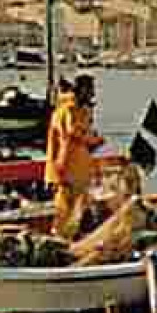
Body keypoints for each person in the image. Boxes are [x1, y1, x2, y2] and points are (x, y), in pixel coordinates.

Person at [44, 74, 104, 240]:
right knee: (65, 212)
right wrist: (95, 140)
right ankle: (60, 240)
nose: (93, 94)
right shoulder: (69, 110)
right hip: (66, 170)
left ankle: (70, 236)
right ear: (82, 90)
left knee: (75, 210)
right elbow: (74, 134)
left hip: (76, 170)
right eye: (90, 90)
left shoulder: (76, 109)